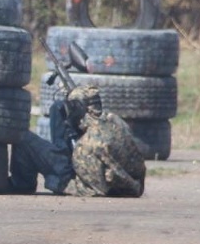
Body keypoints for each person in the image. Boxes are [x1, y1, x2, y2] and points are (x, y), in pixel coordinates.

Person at [10, 82, 145, 197]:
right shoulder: (116, 122)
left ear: (80, 108)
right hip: (124, 183)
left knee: (24, 138)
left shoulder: (86, 145)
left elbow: (94, 189)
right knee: (57, 108)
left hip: (72, 179)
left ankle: (22, 185)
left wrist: (62, 182)